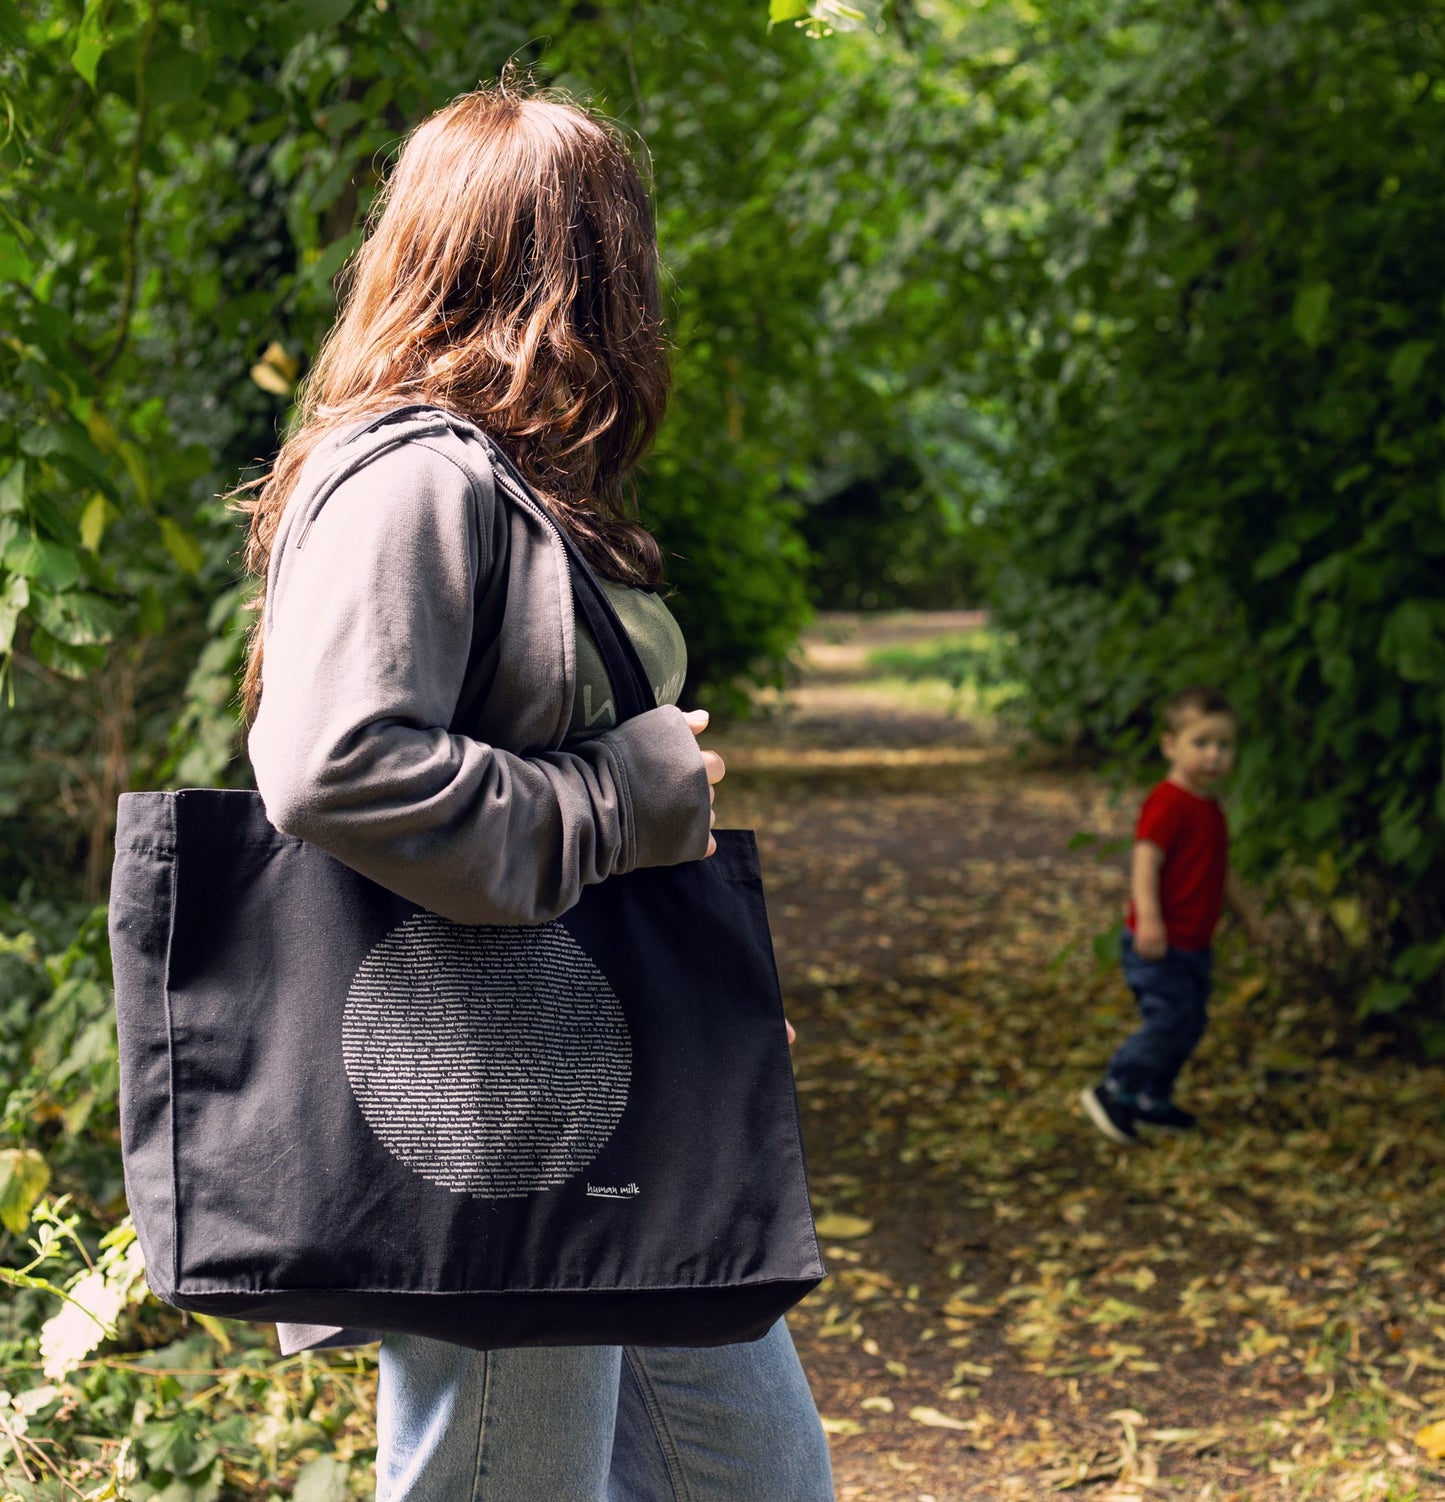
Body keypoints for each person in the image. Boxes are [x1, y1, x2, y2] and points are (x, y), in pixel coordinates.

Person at [238, 85, 833, 1502]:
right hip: (492, 1105)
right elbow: (333, 765)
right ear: (574, 267)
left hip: (599, 1085)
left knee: (752, 1478)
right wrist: (623, 798)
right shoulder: (414, 477)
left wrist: (690, 964)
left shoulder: (509, 480)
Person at [1080, 687, 1265, 1145]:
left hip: (1194, 943)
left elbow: (1221, 874)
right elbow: (1146, 862)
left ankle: (1151, 1099)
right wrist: (1149, 917)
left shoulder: (1211, 810)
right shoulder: (1167, 803)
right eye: (1201, 743)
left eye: (1223, 745)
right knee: (1167, 1019)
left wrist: (1250, 917)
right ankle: (1115, 1088)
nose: (1213, 756)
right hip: (1158, 941)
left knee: (1191, 1023)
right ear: (1170, 746)